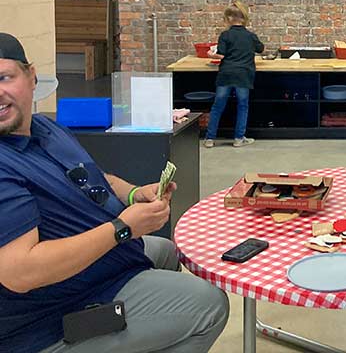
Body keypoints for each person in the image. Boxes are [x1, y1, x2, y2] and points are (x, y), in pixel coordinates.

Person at [0, 33, 229, 353]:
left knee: (165, 250)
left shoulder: (46, 128)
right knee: (209, 304)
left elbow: (91, 177)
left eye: (4, 77)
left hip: (96, 270)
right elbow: (20, 272)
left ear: (32, 75)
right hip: (52, 317)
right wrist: (123, 229)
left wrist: (135, 194)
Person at [204, 1, 264, 148]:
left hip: (226, 74)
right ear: (244, 18)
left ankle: (209, 139)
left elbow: (221, 55)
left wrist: (210, 53)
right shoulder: (251, 36)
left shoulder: (225, 35)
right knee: (242, 106)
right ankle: (238, 138)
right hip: (243, 75)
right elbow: (261, 49)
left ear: (229, 18)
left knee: (218, 106)